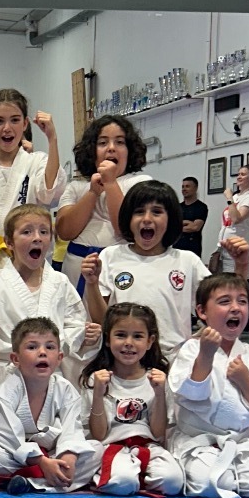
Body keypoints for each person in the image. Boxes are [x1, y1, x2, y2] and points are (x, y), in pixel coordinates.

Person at [168, 273, 249, 498]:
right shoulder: (191, 349)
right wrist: (206, 355)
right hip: (198, 440)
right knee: (213, 485)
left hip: (241, 442)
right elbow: (189, 393)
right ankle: (223, 474)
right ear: (202, 312)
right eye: (224, 301)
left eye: (242, 301)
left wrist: (246, 381)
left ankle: (232, 471)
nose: (235, 308)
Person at [78, 180, 205, 363]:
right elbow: (102, 321)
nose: (147, 218)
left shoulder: (187, 261)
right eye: (139, 212)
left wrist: (200, 339)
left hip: (174, 359)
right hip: (125, 359)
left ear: (171, 219)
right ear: (128, 219)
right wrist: (92, 283)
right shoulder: (111, 256)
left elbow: (220, 305)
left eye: (157, 212)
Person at [0, 204, 97, 388]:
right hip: (5, 378)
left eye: (44, 232)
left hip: (51, 377)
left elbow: (75, 325)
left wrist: (83, 336)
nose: (37, 238)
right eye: (27, 232)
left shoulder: (60, 282)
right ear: (9, 242)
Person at [0, 317, 101, 494]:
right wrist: (41, 462)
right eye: (32, 347)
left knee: (97, 449)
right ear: (15, 358)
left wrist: (69, 457)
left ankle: (29, 483)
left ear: (59, 358)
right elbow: (4, 436)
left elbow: (72, 429)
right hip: (19, 457)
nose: (42, 352)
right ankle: (50, 481)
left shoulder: (64, 388)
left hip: (52, 455)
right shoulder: (8, 389)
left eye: (49, 347)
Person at [82, 302, 183, 497]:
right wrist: (98, 394)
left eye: (137, 336)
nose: (129, 343)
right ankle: (120, 475)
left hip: (149, 446)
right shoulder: (97, 378)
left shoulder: (157, 379)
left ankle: (137, 475)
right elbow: (99, 435)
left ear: (150, 341)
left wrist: (160, 394)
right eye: (121, 335)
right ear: (108, 339)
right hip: (112, 446)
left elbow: (158, 433)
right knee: (122, 482)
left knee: (173, 482)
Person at [0, 90, 64, 273]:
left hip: (27, 256)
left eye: (15, 120)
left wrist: (52, 138)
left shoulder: (37, 162)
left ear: (25, 124)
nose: (7, 128)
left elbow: (49, 194)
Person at [55, 115, 147, 290]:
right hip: (77, 268)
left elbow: (127, 230)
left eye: (120, 142)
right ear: (92, 150)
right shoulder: (76, 187)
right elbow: (65, 232)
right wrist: (93, 193)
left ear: (129, 150)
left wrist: (110, 183)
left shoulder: (140, 183)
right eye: (103, 143)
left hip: (121, 268)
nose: (111, 148)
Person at [217, 162, 249, 276]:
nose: (239, 177)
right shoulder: (236, 197)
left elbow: (236, 218)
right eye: (238, 174)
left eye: (243, 174)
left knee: (235, 281)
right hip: (225, 247)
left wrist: (229, 198)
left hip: (238, 250)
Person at [176, 176, 208, 257]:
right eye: (183, 187)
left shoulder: (201, 207)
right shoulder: (177, 207)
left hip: (192, 249)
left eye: (187, 186)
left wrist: (177, 225)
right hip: (176, 248)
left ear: (195, 188)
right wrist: (186, 223)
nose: (184, 189)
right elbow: (171, 225)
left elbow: (194, 227)